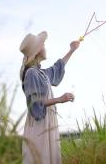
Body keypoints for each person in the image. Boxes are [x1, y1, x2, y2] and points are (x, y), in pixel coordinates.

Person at [19, 31, 80, 163]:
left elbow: (56, 68)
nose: (45, 47)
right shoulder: (31, 73)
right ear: (37, 51)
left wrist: (72, 50)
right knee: (42, 158)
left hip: (47, 122)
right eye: (43, 45)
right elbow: (34, 103)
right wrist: (59, 99)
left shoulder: (40, 73)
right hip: (39, 125)